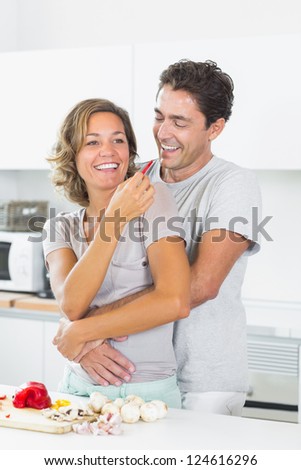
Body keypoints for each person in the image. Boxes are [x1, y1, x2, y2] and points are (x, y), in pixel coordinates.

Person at [72, 60, 262, 417]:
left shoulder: (232, 185)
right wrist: (78, 327)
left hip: (202, 381)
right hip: (132, 377)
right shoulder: (136, 180)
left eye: (180, 122)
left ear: (215, 128)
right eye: (159, 116)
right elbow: (90, 270)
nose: (163, 132)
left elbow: (199, 286)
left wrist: (85, 327)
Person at [43, 98, 190, 408]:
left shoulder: (155, 199)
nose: (108, 151)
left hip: (149, 396)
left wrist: (80, 334)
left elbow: (174, 301)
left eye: (118, 140)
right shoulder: (59, 228)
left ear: (129, 151)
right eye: (92, 142)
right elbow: (72, 305)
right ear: (73, 156)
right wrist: (115, 219)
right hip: (78, 390)